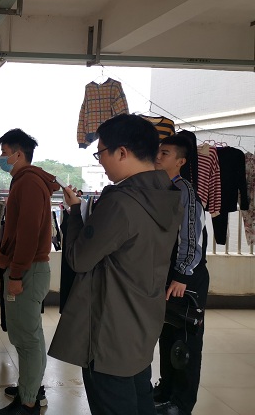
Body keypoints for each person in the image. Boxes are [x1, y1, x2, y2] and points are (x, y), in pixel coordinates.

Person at [48, 114, 182, 415]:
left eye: (101, 153)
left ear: (122, 152)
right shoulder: (167, 196)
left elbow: (80, 258)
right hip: (141, 323)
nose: (101, 162)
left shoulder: (121, 201)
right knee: (140, 401)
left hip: (109, 331)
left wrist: (74, 212)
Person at [0, 129, 58, 415]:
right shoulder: (25, 180)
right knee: (29, 336)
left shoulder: (28, 183)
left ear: (19, 154)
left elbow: (28, 233)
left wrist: (17, 274)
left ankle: (28, 402)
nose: (2, 158)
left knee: (27, 340)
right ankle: (30, 387)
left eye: (5, 153)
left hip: (28, 271)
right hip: (29, 268)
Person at [154, 135, 209, 415]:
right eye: (158, 152)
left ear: (181, 161)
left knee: (185, 341)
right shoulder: (162, 188)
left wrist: (182, 275)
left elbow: (191, 236)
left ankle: (181, 403)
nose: (158, 157)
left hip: (186, 277)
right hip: (169, 275)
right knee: (167, 335)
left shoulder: (184, 191)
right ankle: (166, 390)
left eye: (165, 153)